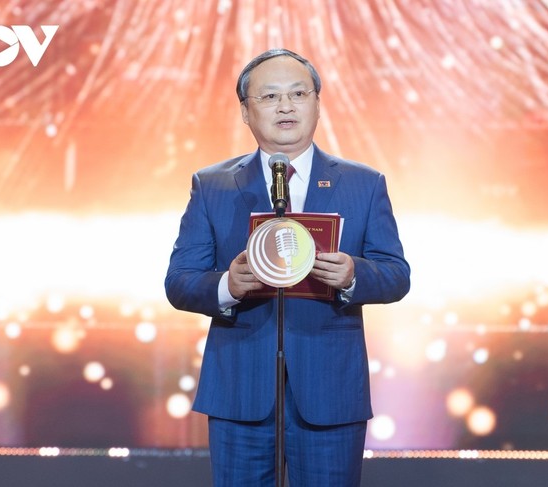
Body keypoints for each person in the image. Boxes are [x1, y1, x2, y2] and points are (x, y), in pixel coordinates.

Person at [165, 48, 411, 486]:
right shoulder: (213, 185)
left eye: (298, 94)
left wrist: (353, 275)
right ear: (246, 112)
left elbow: (396, 274)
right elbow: (180, 282)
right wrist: (227, 285)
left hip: (330, 390)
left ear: (317, 103)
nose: (285, 106)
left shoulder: (363, 184)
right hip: (240, 390)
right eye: (270, 96)